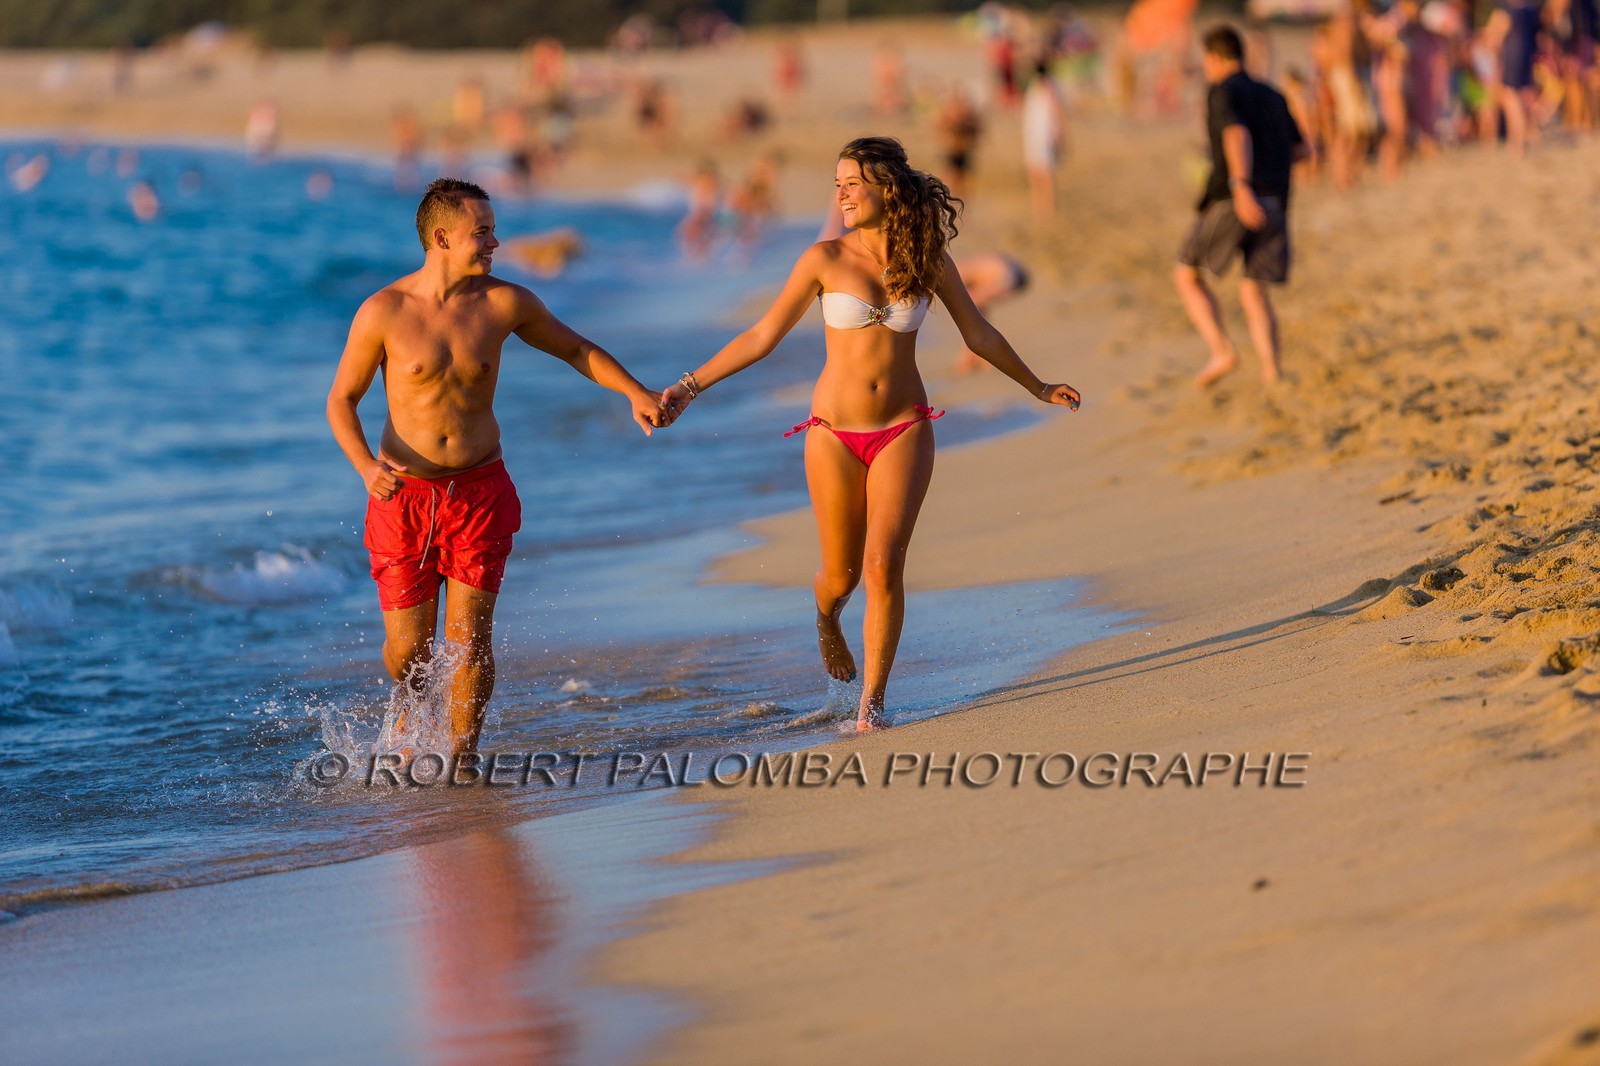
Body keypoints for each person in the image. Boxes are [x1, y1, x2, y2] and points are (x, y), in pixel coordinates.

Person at [660, 138, 1080, 732]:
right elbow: (761, 336)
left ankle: (871, 707)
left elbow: (978, 333)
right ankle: (827, 620)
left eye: (851, 183)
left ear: (887, 187)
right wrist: (688, 386)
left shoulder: (927, 258)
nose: (841, 194)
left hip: (904, 426)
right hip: (832, 433)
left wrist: (1038, 387)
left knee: (884, 563)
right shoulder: (824, 258)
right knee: (842, 578)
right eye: (836, 185)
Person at [327, 179, 668, 756]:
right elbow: (341, 401)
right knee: (408, 653)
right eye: (481, 231)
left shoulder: (504, 303)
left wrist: (633, 391)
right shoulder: (385, 311)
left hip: (479, 491)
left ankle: (460, 759)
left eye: (492, 229)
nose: (495, 242)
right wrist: (364, 467)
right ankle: (410, 716)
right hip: (401, 497)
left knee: (470, 640)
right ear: (441, 237)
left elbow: (575, 349)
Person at [1174, 25, 1307, 389]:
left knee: (1186, 275)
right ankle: (1272, 371)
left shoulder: (1222, 90)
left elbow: (1236, 133)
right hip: (1276, 200)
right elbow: (1302, 149)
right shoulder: (1273, 93)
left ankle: (1221, 351)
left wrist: (1242, 186)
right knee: (1253, 289)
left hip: (1237, 199)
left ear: (1215, 58)